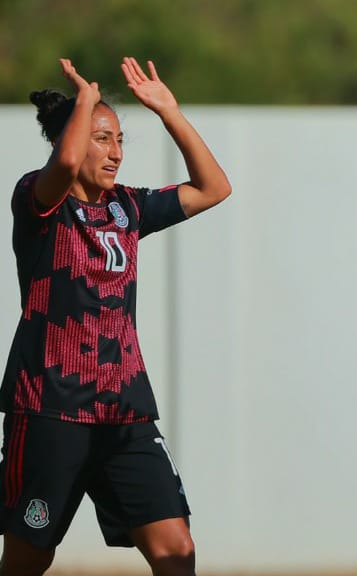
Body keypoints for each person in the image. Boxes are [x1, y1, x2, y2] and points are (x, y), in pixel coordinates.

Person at [0, 57, 231, 576]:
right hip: (49, 412)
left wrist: (170, 112)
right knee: (27, 560)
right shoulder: (37, 201)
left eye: (120, 140)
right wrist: (85, 102)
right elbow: (61, 170)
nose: (115, 152)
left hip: (124, 412)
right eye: (102, 139)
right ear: (72, 141)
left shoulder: (128, 206)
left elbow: (213, 188)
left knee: (177, 549)